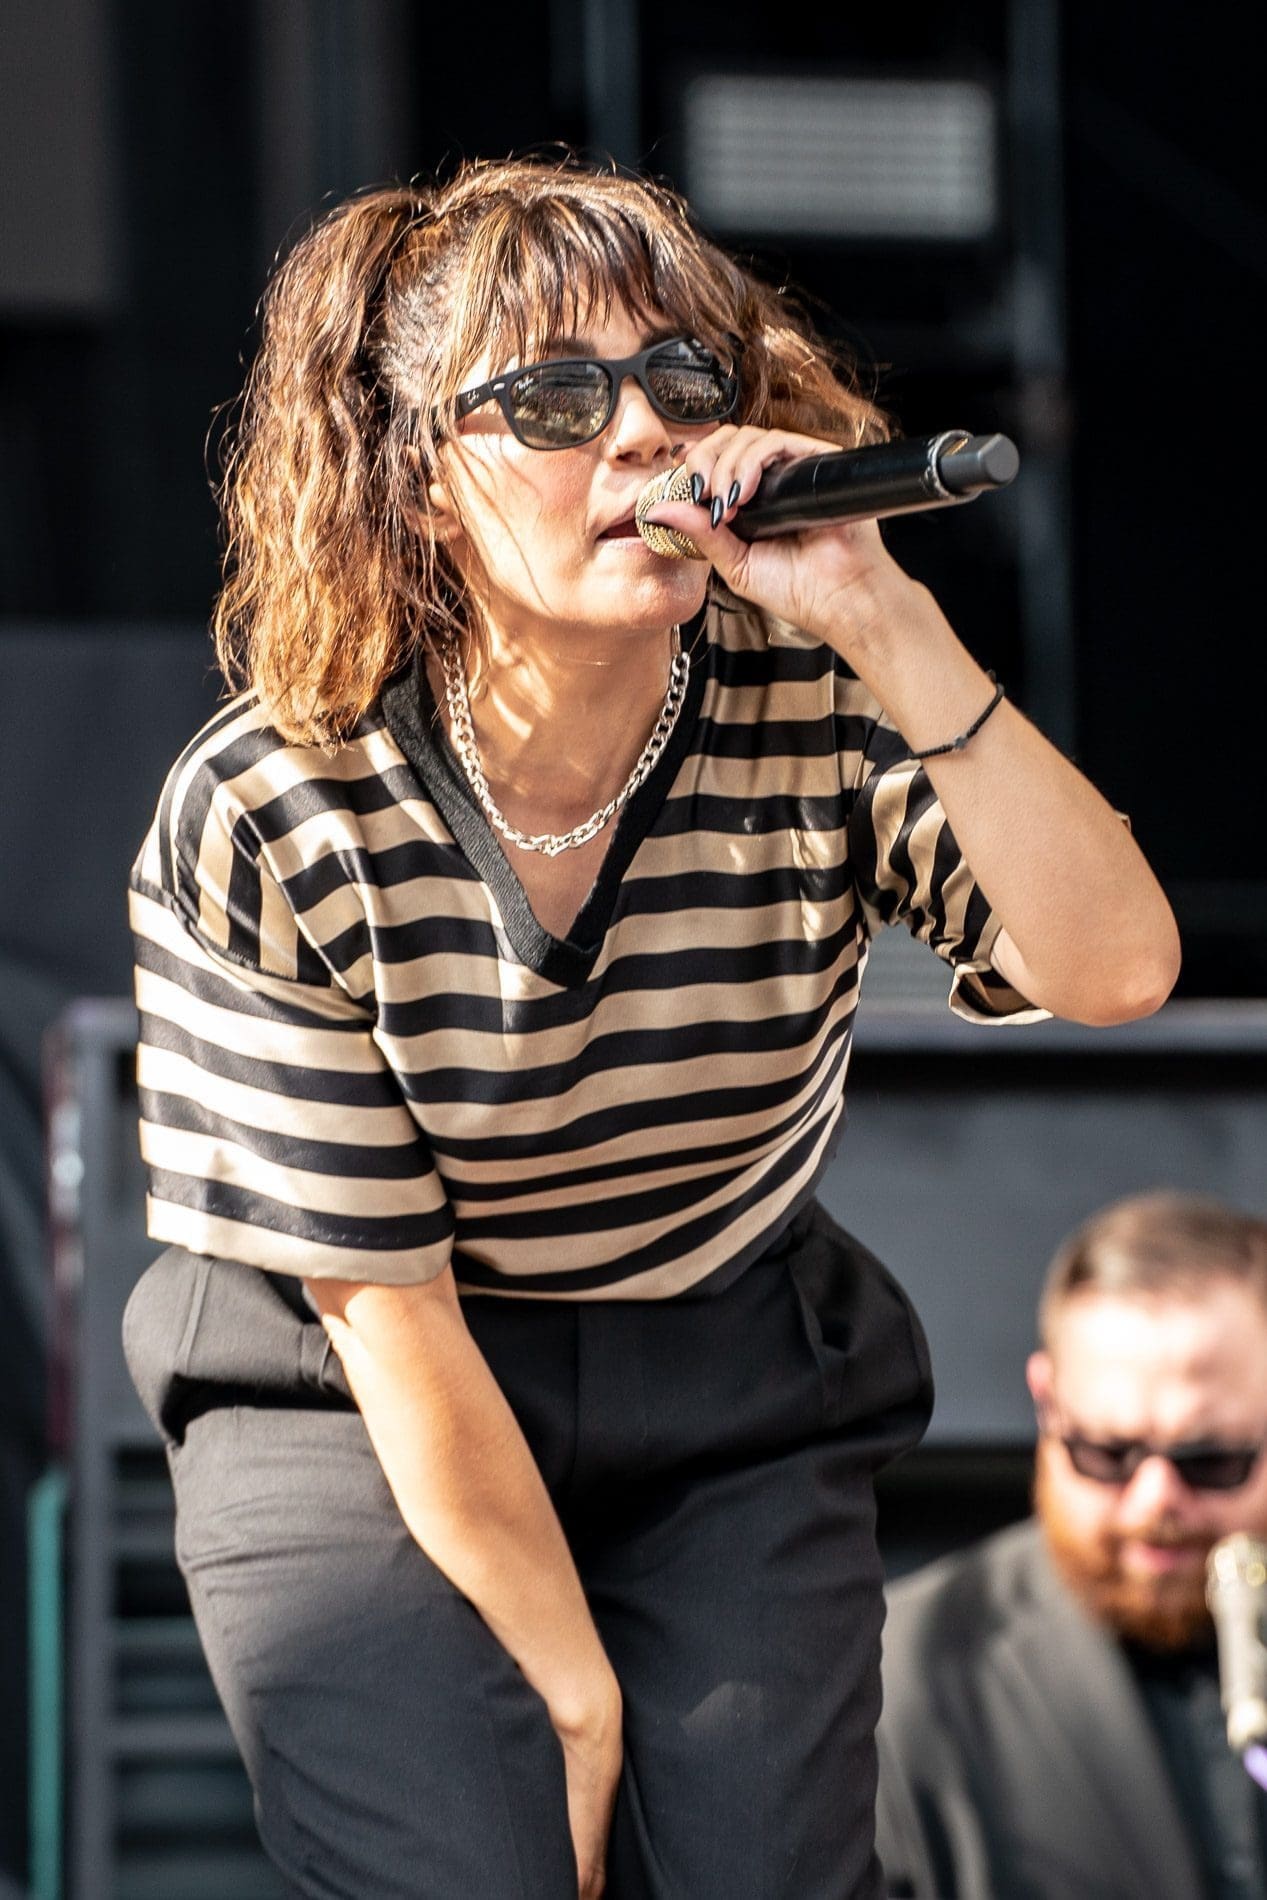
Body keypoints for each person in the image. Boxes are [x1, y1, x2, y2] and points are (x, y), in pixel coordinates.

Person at [121, 154, 1179, 1900]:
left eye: (677, 382)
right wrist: (578, 1694)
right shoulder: (276, 807)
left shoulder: (812, 705)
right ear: (418, 484)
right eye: (551, 398)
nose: (636, 437)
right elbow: (388, 1319)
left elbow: (1116, 967)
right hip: (365, 1385)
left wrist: (884, 621)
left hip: (724, 1359)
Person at [875, 1191, 1267, 1900]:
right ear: (1046, 1403)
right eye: (1107, 1453)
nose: (1156, 1501)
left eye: (1208, 1458)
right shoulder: (900, 1681)